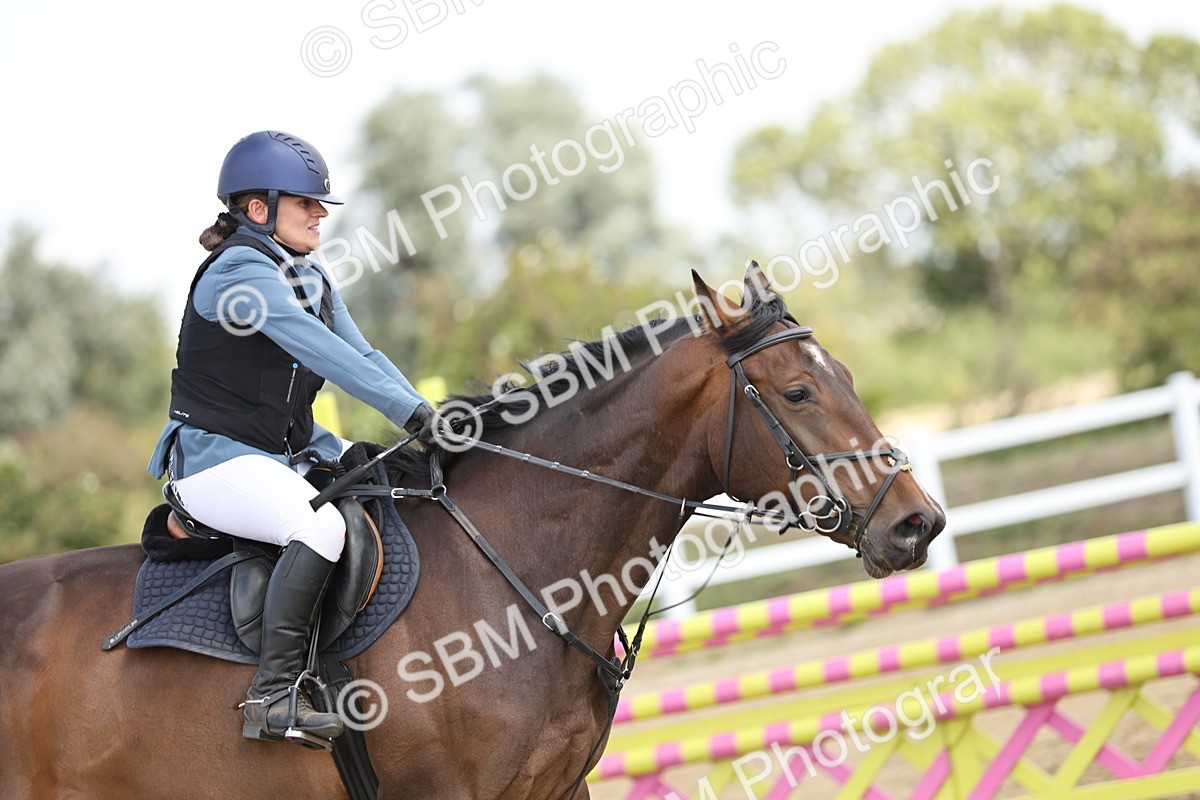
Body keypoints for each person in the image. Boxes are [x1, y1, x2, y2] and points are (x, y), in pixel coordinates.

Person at [147, 130, 435, 744]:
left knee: (387, 494)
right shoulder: (239, 274)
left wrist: (429, 416)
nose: (321, 214)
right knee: (319, 526)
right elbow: (323, 352)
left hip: (281, 455)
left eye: (320, 203)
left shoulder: (309, 273)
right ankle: (274, 697)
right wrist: (409, 414)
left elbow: (363, 351)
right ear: (258, 209)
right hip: (214, 460)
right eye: (306, 202)